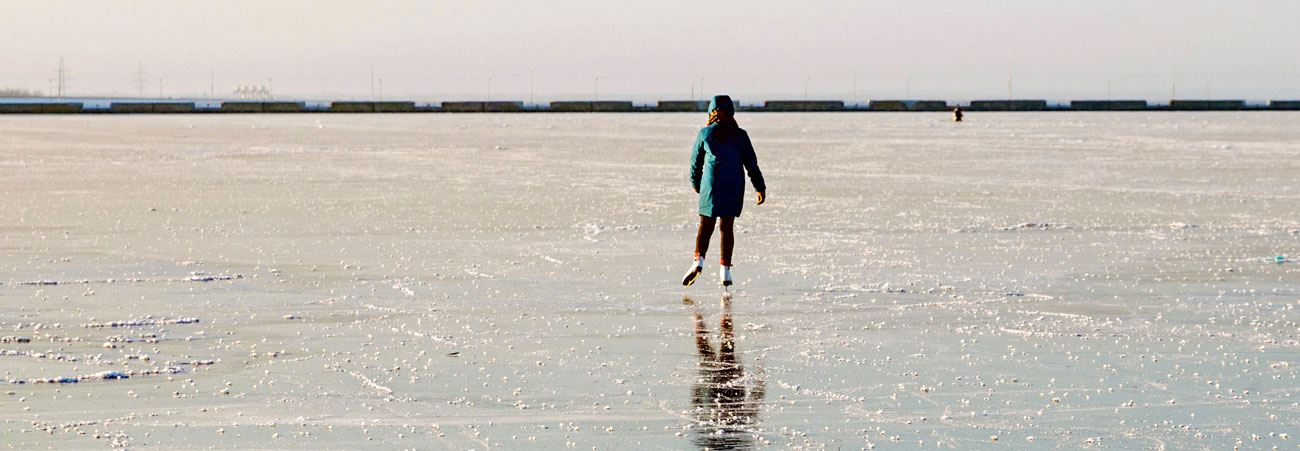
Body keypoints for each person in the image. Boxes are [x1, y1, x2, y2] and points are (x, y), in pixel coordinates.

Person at [683, 95, 766, 287]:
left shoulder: (705, 133)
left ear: (712, 112)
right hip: (734, 184)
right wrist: (759, 187)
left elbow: (695, 163)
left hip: (711, 184)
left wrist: (695, 183)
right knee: (726, 228)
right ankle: (725, 271)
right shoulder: (741, 135)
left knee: (706, 225)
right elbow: (751, 164)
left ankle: (698, 261)